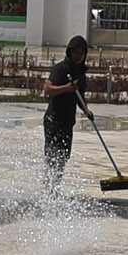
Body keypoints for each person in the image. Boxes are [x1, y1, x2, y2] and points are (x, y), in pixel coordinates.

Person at [43, 34, 92, 170]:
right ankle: (48, 182)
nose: (78, 56)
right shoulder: (61, 68)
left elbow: (79, 96)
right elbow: (48, 89)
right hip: (53, 120)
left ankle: (57, 181)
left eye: (81, 53)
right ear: (69, 52)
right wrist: (66, 88)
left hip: (68, 121)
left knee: (63, 156)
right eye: (75, 52)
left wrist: (86, 110)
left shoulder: (80, 72)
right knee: (52, 156)